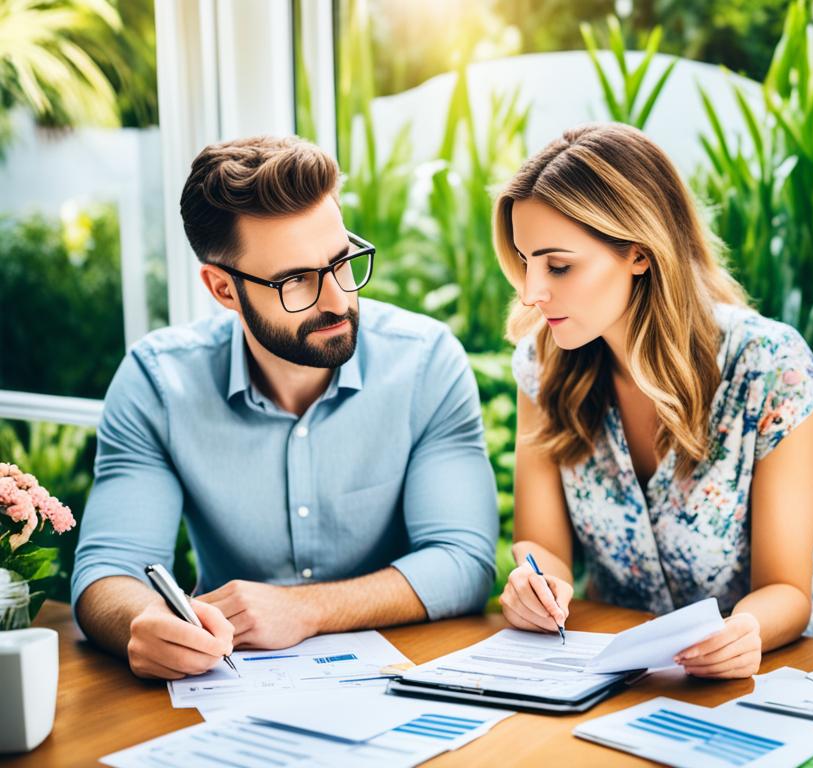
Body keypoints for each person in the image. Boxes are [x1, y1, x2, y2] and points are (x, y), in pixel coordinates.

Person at [72, 136, 498, 680]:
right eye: (296, 280)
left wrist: (306, 609)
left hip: (412, 679)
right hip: (228, 693)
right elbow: (108, 572)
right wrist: (143, 622)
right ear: (223, 289)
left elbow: (463, 561)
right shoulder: (159, 383)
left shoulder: (425, 363)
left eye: (342, 262)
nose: (337, 299)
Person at [495, 123, 813, 679]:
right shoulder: (543, 365)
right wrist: (534, 583)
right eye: (526, 261)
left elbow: (787, 588)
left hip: (788, 671)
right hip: (631, 673)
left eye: (559, 265)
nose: (531, 291)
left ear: (640, 254)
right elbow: (542, 547)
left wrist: (744, 633)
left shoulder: (767, 365)